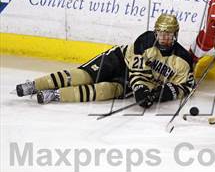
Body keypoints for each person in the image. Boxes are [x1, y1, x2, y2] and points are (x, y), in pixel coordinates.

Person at [16, 14, 195, 108]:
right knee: (85, 76)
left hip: (133, 81)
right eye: (161, 33)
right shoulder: (146, 40)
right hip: (118, 60)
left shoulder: (182, 59)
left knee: (103, 91)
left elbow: (187, 86)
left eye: (168, 34)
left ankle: (54, 95)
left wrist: (161, 95)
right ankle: (35, 85)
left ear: (175, 35)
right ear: (155, 32)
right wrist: (140, 89)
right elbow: (137, 73)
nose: (163, 38)